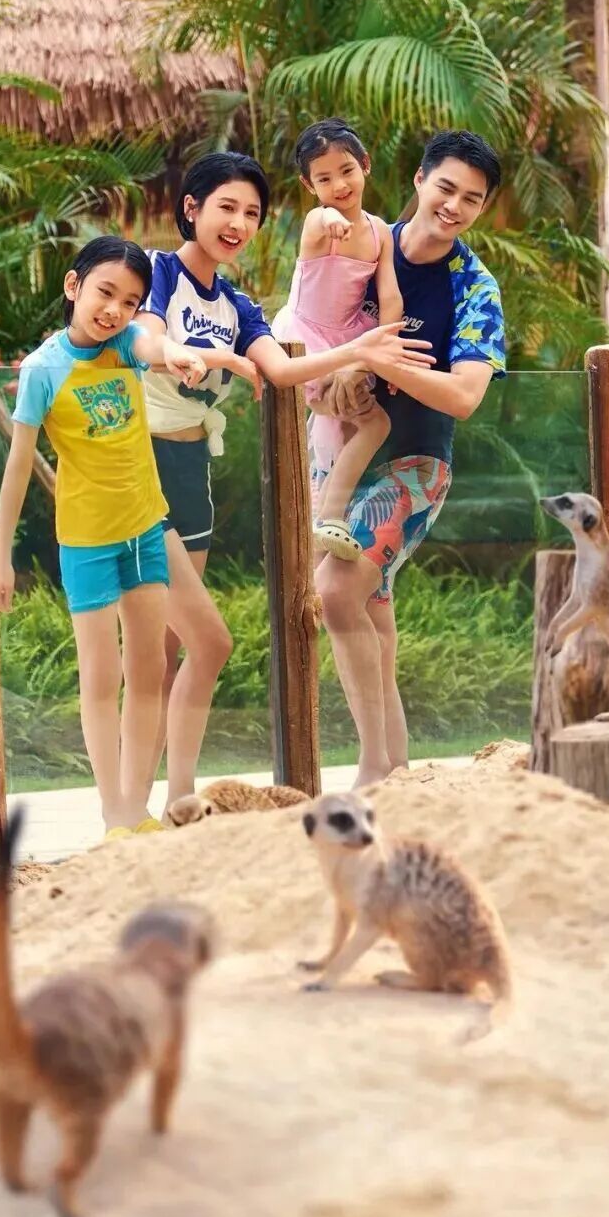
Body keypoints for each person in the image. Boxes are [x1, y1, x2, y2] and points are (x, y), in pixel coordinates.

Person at [136, 151, 436, 813]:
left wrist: (357, 351)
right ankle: (137, 806)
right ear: (191, 209)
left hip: (191, 475)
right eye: (226, 207)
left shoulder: (240, 305)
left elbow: (283, 370)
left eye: (251, 213)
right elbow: (146, 339)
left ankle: (173, 801)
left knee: (176, 647)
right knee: (184, 646)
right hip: (139, 470)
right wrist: (201, 355)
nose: (239, 224)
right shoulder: (157, 272)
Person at [0, 236, 208, 839]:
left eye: (129, 300)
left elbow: (153, 344)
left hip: (144, 528)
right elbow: (18, 466)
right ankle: (114, 811)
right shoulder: (42, 369)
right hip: (87, 541)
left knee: (148, 669)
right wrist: (2, 556)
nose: (114, 309)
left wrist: (178, 353)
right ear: (74, 286)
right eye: (104, 292)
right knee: (101, 676)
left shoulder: (127, 344)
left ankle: (135, 810)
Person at [313, 129, 506, 786]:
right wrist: (345, 364)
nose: (454, 205)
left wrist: (376, 358)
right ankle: (397, 772)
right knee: (368, 614)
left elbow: (464, 396)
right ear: (420, 180)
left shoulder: (475, 287)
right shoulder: (361, 245)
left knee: (335, 591)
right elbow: (309, 325)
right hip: (337, 452)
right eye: (446, 187)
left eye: (472, 199)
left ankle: (371, 769)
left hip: (415, 467)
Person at [271, 118, 403, 561]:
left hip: (352, 344)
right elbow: (322, 217)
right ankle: (327, 518)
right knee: (371, 423)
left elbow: (390, 297)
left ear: (365, 165)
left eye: (347, 170)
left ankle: (325, 523)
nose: (339, 185)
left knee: (354, 427)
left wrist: (382, 357)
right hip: (307, 343)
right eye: (324, 179)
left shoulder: (380, 231)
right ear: (309, 186)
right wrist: (331, 220)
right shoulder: (317, 221)